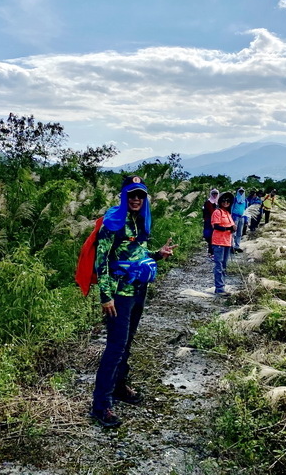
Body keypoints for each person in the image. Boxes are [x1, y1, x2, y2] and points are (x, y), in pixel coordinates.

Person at [91, 175, 177, 427]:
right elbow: (102, 261)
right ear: (124, 196)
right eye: (132, 195)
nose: (136, 199)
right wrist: (105, 296)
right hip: (119, 295)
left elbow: (138, 254)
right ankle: (101, 405)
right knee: (115, 347)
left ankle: (119, 387)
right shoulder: (113, 223)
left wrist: (157, 255)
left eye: (140, 195)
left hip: (138, 291)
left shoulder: (140, 222)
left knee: (127, 343)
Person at [211, 191, 236, 296]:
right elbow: (215, 226)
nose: (226, 202)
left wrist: (233, 229)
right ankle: (219, 288)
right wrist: (227, 228)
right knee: (219, 265)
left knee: (224, 265)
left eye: (228, 201)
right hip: (218, 242)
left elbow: (232, 226)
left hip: (227, 242)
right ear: (220, 201)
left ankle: (222, 286)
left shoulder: (228, 213)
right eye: (224, 200)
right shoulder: (218, 212)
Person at [202, 188, 219, 257]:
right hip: (209, 221)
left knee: (214, 236)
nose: (215, 195)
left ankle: (212, 251)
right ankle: (211, 251)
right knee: (209, 236)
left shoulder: (218, 203)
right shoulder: (208, 202)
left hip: (216, 221)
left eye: (216, 194)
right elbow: (207, 212)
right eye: (213, 194)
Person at [231, 187, 247, 252]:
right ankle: (231, 246)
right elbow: (231, 208)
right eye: (240, 191)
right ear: (238, 192)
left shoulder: (245, 200)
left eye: (242, 191)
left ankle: (237, 246)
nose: (241, 193)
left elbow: (246, 209)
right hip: (235, 216)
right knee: (233, 232)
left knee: (239, 232)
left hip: (242, 217)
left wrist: (246, 219)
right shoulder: (235, 199)